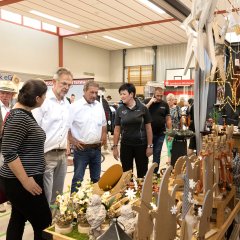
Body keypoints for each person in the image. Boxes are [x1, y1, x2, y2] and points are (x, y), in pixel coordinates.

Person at [0, 79, 52, 240]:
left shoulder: (23, 113)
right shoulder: (19, 117)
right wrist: (26, 181)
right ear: (37, 98)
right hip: (22, 180)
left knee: (18, 218)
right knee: (44, 223)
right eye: (44, 96)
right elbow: (9, 152)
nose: (44, 99)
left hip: (24, 178)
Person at [32, 68, 73, 204]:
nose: (66, 87)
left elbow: (65, 127)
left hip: (61, 155)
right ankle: (44, 224)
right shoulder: (43, 102)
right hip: (46, 155)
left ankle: (55, 224)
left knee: (58, 196)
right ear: (54, 82)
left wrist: (67, 145)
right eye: (63, 83)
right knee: (46, 195)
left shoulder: (66, 103)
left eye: (69, 85)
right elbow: (34, 129)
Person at [68, 81, 107, 193]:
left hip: (96, 149)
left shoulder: (99, 106)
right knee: (78, 179)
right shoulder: (74, 107)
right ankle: (73, 205)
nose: (94, 95)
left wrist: (104, 136)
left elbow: (104, 124)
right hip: (81, 150)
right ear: (84, 91)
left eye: (96, 93)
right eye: (91, 92)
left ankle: (96, 204)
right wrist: (73, 141)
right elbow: (67, 127)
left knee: (96, 179)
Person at [113, 83, 153, 178]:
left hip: (141, 146)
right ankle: (128, 192)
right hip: (126, 146)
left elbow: (148, 128)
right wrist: (115, 147)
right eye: (120, 94)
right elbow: (117, 130)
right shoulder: (120, 109)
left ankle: (142, 192)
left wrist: (150, 146)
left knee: (142, 173)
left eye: (124, 94)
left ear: (131, 94)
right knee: (126, 174)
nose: (121, 96)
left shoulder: (143, 108)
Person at [144, 87, 171, 175]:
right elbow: (141, 112)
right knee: (145, 154)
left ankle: (154, 174)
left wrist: (170, 133)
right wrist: (150, 103)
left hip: (160, 134)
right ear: (154, 94)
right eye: (157, 95)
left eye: (161, 96)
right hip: (147, 134)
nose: (159, 97)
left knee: (157, 153)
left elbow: (168, 119)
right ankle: (144, 173)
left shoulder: (165, 104)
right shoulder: (147, 101)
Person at [0, 80, 16, 213]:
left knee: (9, 172)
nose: (5, 96)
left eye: (8, 93)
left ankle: (8, 196)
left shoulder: (12, 108)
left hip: (10, 147)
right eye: (2, 93)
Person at [166, 93, 181, 164]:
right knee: (168, 144)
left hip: (175, 129)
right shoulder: (166, 108)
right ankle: (171, 158)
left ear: (173, 100)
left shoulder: (177, 108)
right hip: (167, 129)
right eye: (168, 100)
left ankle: (170, 159)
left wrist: (181, 128)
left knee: (171, 145)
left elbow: (180, 119)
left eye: (170, 100)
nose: (169, 101)